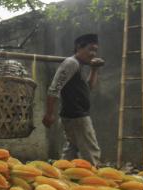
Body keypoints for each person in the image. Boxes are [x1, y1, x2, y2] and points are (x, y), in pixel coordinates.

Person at [42, 33, 105, 166]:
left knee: (71, 150)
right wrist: (49, 114)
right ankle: (93, 181)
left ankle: (62, 175)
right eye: (90, 49)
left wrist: (94, 70)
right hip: (77, 117)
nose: (93, 54)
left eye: (95, 50)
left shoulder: (79, 65)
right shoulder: (71, 63)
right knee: (91, 153)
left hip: (75, 116)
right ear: (78, 47)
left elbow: (89, 88)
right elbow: (54, 89)